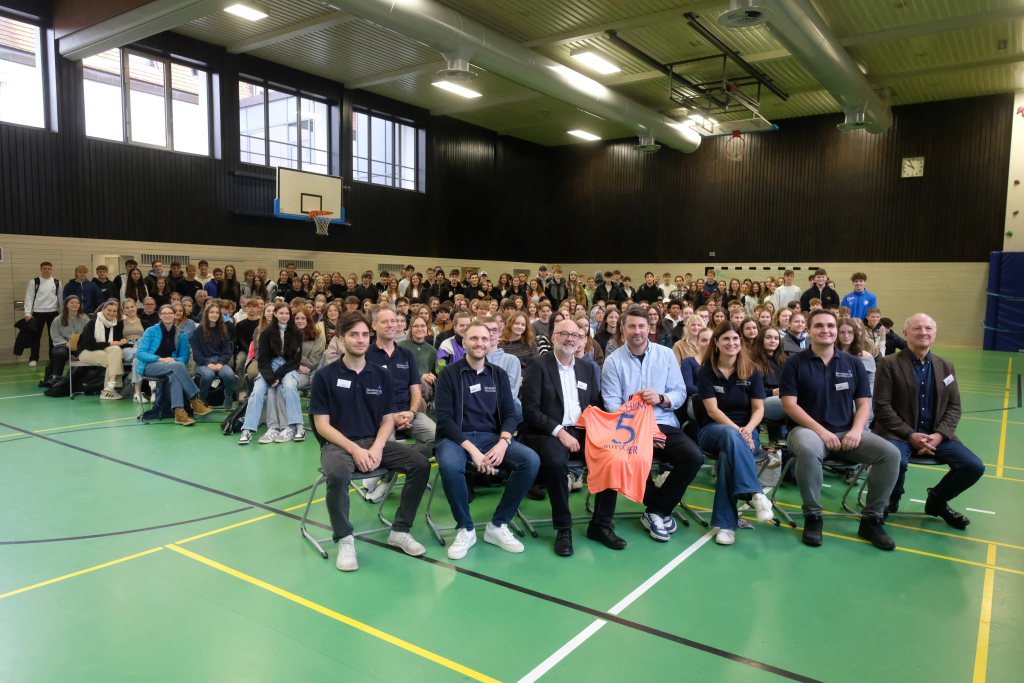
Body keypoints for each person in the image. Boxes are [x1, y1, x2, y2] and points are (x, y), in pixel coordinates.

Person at [308, 311, 430, 570]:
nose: (361, 339)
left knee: (420, 464)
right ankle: (344, 538)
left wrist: (376, 447)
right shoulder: (324, 377)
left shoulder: (381, 375)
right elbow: (322, 425)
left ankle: (400, 531)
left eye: (365, 334)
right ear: (341, 339)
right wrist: (355, 450)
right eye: (354, 334)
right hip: (338, 446)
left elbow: (387, 420)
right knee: (338, 474)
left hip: (374, 442)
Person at [779, 309, 901, 550]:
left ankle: (872, 520)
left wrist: (857, 430)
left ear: (837, 331)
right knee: (808, 449)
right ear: (809, 330)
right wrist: (822, 432)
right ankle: (813, 515)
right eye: (819, 326)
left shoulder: (853, 363)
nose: (825, 330)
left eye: (830, 326)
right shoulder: (795, 363)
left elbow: (864, 404)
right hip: (807, 431)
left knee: (890, 454)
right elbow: (789, 405)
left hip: (846, 432)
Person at [434, 321, 541, 560]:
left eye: (484, 338)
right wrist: (473, 451)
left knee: (530, 460)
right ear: (464, 342)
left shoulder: (498, 374)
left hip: (492, 438)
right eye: (474, 338)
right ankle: (466, 528)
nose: (479, 343)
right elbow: (444, 419)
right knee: (450, 466)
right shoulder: (449, 374)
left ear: (491, 341)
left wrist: (504, 442)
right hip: (456, 439)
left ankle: (498, 525)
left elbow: (510, 414)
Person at [601, 305, 704, 542]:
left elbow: (679, 392)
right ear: (622, 329)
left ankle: (656, 510)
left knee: (694, 457)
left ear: (650, 327)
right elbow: (612, 404)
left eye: (641, 326)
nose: (637, 331)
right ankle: (660, 509)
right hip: (629, 429)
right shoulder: (613, 361)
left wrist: (661, 398)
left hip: (663, 422)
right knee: (633, 461)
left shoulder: (665, 355)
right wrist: (643, 431)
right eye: (631, 326)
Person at [872, 314, 985, 529]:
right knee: (896, 461)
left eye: (928, 328)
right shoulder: (889, 363)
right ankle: (890, 499)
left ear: (935, 333)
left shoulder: (946, 366)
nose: (923, 332)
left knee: (973, 466)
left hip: (936, 435)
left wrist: (940, 435)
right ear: (906, 333)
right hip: (897, 434)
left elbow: (954, 407)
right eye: (917, 328)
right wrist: (910, 434)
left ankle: (937, 501)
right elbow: (881, 406)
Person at [521, 318, 616, 556]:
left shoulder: (587, 368)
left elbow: (595, 404)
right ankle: (564, 528)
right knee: (556, 463)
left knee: (612, 457)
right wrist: (559, 432)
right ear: (554, 337)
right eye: (565, 334)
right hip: (548, 431)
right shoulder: (538, 365)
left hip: (581, 430)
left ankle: (600, 524)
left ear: (582, 339)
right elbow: (530, 410)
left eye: (576, 335)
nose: (570, 339)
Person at [695, 322, 774, 545]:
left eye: (735, 339)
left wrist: (747, 429)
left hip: (747, 432)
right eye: (726, 339)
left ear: (741, 342)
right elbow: (712, 410)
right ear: (716, 343)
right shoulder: (707, 371)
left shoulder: (752, 371)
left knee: (728, 456)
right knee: (730, 437)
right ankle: (755, 493)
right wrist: (738, 431)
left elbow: (759, 409)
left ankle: (726, 526)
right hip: (712, 431)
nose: (731, 343)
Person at [367, 307, 436, 456]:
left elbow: (416, 391)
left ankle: (406, 460)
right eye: (385, 322)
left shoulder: (406, 354)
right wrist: (390, 417)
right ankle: (401, 462)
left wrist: (412, 412)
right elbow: (365, 396)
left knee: (438, 438)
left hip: (408, 413)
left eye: (393, 321)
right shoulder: (366, 356)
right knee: (387, 446)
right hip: (380, 417)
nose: (391, 325)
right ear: (374, 325)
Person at [238, 303, 304, 444]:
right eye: (281, 313)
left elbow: (296, 359)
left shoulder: (297, 332)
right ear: (275, 314)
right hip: (269, 366)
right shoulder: (267, 332)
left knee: (289, 387)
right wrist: (269, 377)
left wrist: (279, 375)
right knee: (258, 390)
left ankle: (298, 427)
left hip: (288, 366)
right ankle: (247, 430)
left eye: (287, 313)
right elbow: (263, 359)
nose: (284, 316)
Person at [137, 305, 213, 426]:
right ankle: (194, 400)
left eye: (170, 313)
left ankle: (179, 412)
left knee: (175, 373)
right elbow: (140, 353)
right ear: (160, 316)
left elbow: (185, 357)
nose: (167, 315)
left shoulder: (181, 334)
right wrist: (160, 359)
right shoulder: (150, 331)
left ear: (174, 315)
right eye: (164, 313)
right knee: (177, 366)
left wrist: (173, 360)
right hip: (150, 366)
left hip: (172, 367)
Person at [262, 309, 324, 443]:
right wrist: (296, 362)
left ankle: (298, 427)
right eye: (297, 318)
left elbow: (313, 362)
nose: (300, 321)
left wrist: (296, 360)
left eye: (303, 318)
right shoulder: (286, 334)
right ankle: (279, 427)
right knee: (276, 387)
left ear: (308, 320)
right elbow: (283, 357)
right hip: (288, 370)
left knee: (288, 386)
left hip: (307, 374)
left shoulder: (317, 336)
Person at [77, 299, 129, 400]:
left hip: (105, 350)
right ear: (103, 310)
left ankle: (109, 387)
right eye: (109, 310)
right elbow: (88, 344)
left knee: (116, 350)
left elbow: (116, 343)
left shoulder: (117, 324)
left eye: (114, 311)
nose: (112, 313)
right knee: (114, 358)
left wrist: (123, 342)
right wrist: (110, 343)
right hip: (86, 351)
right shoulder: (92, 323)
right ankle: (110, 389)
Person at [191, 302, 236, 410]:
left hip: (220, 361)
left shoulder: (223, 330)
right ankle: (202, 399)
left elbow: (227, 351)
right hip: (203, 362)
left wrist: (220, 363)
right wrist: (208, 363)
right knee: (208, 375)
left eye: (216, 313)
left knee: (230, 375)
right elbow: (196, 353)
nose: (214, 315)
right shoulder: (197, 331)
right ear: (206, 314)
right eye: (211, 312)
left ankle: (228, 397)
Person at [23, 261, 63, 367]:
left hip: (53, 313)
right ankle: (34, 358)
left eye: (49, 268)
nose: (47, 270)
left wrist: (63, 313)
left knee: (53, 337)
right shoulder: (34, 282)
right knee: (35, 337)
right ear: (41, 269)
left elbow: (60, 299)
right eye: (45, 268)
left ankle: (53, 358)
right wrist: (27, 313)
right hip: (38, 313)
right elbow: (29, 298)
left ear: (52, 270)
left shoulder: (57, 282)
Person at [45, 295, 89, 385]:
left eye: (77, 303)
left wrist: (80, 344)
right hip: (63, 345)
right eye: (72, 302)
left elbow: (88, 333)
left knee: (86, 355)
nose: (75, 304)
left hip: (79, 345)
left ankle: (80, 379)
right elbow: (55, 335)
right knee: (60, 353)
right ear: (66, 304)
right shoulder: (58, 319)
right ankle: (56, 377)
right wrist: (66, 344)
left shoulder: (85, 318)